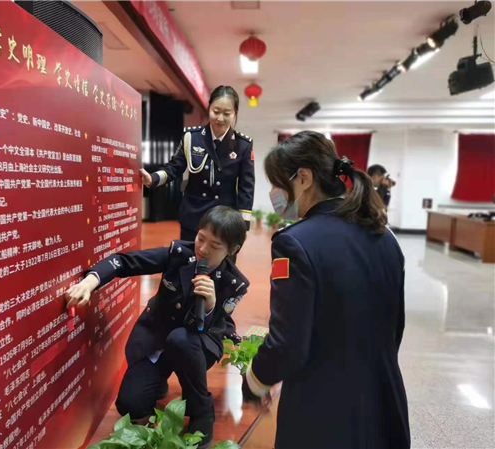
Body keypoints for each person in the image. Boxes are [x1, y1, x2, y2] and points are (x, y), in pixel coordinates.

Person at [242, 131, 410, 449]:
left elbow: (287, 342)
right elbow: (395, 329)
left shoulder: (296, 242)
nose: (275, 194)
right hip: (384, 402)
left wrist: (254, 381)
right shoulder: (385, 235)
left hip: (323, 413)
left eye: (278, 183)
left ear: (303, 177)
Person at [65, 206, 249, 448]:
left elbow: (211, 329)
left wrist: (211, 306)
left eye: (214, 246)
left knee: (181, 340)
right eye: (200, 238)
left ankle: (202, 413)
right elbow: (124, 261)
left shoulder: (233, 284)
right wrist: (91, 281)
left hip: (194, 345)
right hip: (157, 341)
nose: (202, 249)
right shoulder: (179, 254)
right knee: (130, 406)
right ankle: (158, 379)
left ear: (232, 250)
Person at [140, 86, 255, 242]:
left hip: (225, 218)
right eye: (216, 111)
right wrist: (153, 178)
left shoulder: (243, 145)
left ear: (235, 114)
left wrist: (243, 224)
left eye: (227, 113)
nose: (220, 118)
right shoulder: (191, 137)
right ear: (209, 109)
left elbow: (246, 186)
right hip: (194, 215)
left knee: (221, 265)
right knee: (189, 261)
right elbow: (175, 167)